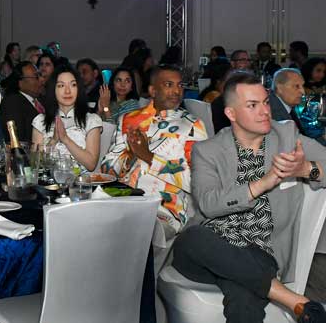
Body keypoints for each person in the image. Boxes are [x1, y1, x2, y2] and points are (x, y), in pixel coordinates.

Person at [173, 73, 326, 323]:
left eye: (265, 102)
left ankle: (301, 305)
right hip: (205, 250)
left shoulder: (287, 137)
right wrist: (263, 183)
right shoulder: (207, 150)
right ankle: (296, 301)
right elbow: (208, 204)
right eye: (252, 105)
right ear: (231, 114)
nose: (265, 111)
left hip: (261, 252)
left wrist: (306, 169)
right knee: (194, 238)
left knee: (243, 294)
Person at [100, 64, 208, 235]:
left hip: (163, 211)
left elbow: (197, 182)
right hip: (123, 201)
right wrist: (130, 155)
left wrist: (149, 157)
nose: (176, 91)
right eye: (168, 85)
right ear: (153, 91)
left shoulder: (191, 125)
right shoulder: (129, 120)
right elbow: (106, 169)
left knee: (132, 232)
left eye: (180, 85)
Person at [31, 65, 103, 172]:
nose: (68, 91)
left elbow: (91, 164)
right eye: (61, 86)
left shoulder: (91, 120)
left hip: (81, 181)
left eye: (73, 85)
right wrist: (53, 140)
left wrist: (66, 140)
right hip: (48, 181)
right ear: (53, 90)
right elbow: (35, 164)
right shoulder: (40, 121)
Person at [0, 62, 44, 144]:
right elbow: (18, 139)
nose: (41, 79)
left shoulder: (40, 99)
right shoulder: (12, 102)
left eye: (40, 75)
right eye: (36, 77)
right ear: (20, 82)